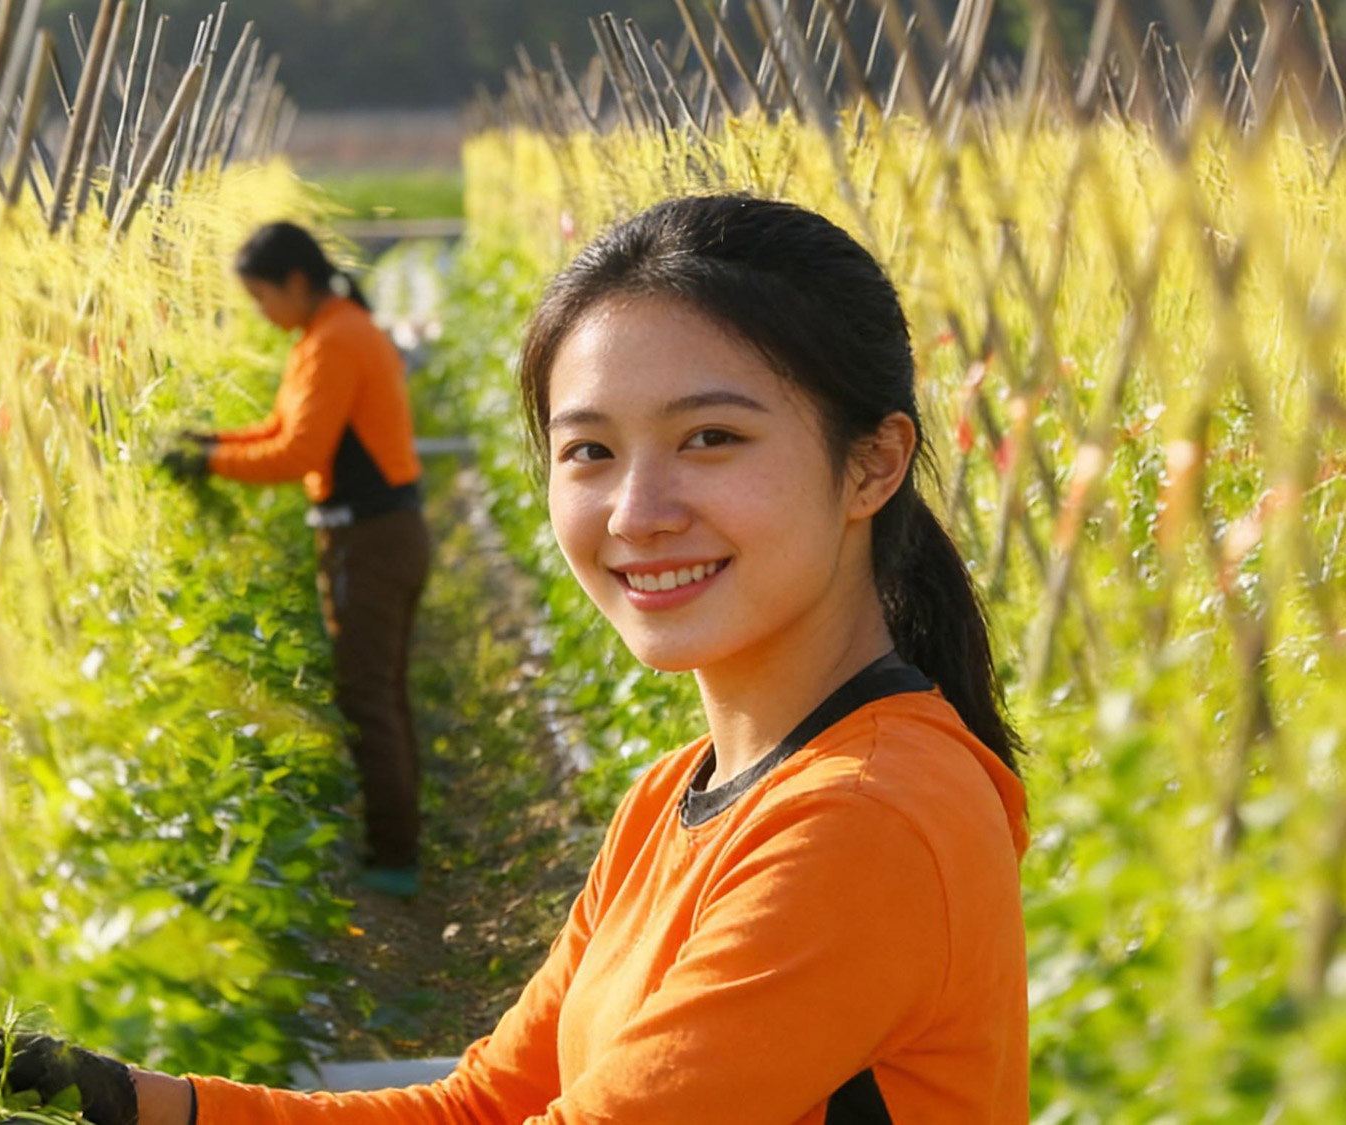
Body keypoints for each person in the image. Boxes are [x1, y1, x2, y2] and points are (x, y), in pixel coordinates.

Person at [74, 195, 1025, 1123]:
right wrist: (143, 1106)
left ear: (873, 464)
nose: (637, 513)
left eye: (711, 438)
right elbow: (487, 1103)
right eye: (590, 451)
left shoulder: (862, 821)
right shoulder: (671, 796)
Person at [165, 221, 432, 898]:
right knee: (381, 693)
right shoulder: (327, 334)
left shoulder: (336, 339)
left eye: (261, 297)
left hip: (370, 539)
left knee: (368, 697)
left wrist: (208, 463)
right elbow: (281, 429)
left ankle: (395, 858)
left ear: (294, 281)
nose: (260, 312)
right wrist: (212, 441)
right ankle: (399, 842)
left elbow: (298, 453)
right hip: (381, 533)